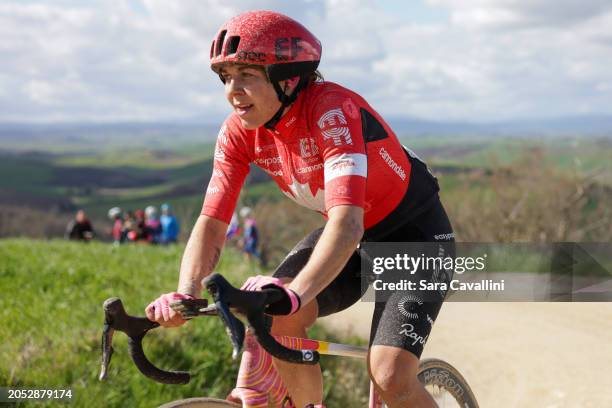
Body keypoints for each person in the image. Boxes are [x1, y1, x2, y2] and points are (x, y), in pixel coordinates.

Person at [146, 10, 454, 408]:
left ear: (288, 79)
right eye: (226, 77)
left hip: (415, 238)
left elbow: (346, 225)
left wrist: (296, 294)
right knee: (278, 317)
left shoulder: (331, 112)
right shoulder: (239, 132)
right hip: (349, 239)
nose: (232, 90)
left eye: (248, 76)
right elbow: (212, 221)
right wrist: (185, 294)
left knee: (390, 376)